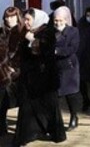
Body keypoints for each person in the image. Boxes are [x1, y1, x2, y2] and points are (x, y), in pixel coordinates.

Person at [13, 8, 66, 146]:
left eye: (28, 19)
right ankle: (27, 135)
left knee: (49, 106)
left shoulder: (47, 32)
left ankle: (55, 133)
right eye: (24, 19)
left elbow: (46, 54)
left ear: (36, 19)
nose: (26, 22)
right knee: (27, 108)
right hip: (30, 79)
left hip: (46, 80)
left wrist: (33, 42)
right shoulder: (27, 32)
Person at [52, 6, 80, 131]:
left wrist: (56, 51)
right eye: (56, 20)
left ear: (66, 19)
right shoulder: (51, 31)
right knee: (54, 95)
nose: (58, 23)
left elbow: (72, 48)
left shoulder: (73, 31)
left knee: (70, 94)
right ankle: (55, 121)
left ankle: (74, 116)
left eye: (60, 20)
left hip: (68, 66)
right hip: (54, 67)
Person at [0, 7, 24, 135]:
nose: (9, 19)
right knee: (2, 102)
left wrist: (16, 69)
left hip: (17, 73)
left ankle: (20, 128)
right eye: (7, 17)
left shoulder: (22, 32)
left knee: (20, 101)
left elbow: (24, 54)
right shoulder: (2, 32)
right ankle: (2, 127)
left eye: (12, 16)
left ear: (17, 17)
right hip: (2, 73)